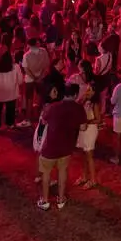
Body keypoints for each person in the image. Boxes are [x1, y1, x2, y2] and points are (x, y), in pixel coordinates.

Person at [38, 83, 88, 211]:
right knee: (62, 172)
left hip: (50, 147)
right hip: (66, 147)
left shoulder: (53, 107)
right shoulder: (78, 108)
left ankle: (44, 200)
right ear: (76, 94)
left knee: (46, 174)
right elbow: (83, 127)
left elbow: (43, 121)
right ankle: (60, 199)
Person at [0, 51, 22, 132]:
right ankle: (10, 124)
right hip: (11, 93)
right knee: (11, 109)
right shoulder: (16, 67)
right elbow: (20, 80)